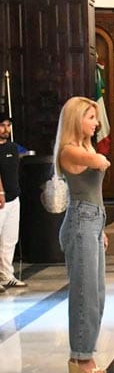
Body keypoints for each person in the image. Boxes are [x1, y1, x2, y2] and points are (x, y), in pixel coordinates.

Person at [54, 97, 111, 373]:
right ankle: (81, 358)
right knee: (85, 294)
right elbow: (100, 161)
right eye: (91, 117)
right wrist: (99, 158)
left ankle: (85, 352)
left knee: (97, 294)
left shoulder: (84, 147)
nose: (97, 123)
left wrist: (102, 229)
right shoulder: (69, 151)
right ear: (76, 120)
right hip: (80, 221)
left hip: (93, 221)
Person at [0, 113, 27, 292]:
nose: (6, 129)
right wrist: (0, 192)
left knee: (10, 239)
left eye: (8, 125)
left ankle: (6, 275)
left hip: (13, 197)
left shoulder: (12, 147)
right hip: (1, 199)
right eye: (2, 125)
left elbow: (25, 153)